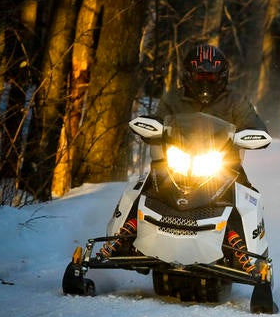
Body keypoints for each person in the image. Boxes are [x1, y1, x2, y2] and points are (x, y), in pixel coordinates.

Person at [99, 44, 269, 273]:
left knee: (245, 195)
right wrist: (152, 128)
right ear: (189, 75)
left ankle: (246, 256)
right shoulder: (174, 98)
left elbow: (256, 125)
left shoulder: (235, 100)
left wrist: (247, 134)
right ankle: (119, 241)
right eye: (200, 75)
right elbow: (158, 120)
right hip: (175, 162)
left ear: (222, 77)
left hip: (222, 165)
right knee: (142, 187)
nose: (205, 82)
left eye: (210, 76)